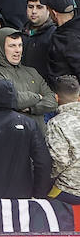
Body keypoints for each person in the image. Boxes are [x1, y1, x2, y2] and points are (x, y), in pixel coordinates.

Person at [45, 75, 80, 203]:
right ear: (78, 97)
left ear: (56, 98)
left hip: (69, 190)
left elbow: (60, 161)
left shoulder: (56, 123)